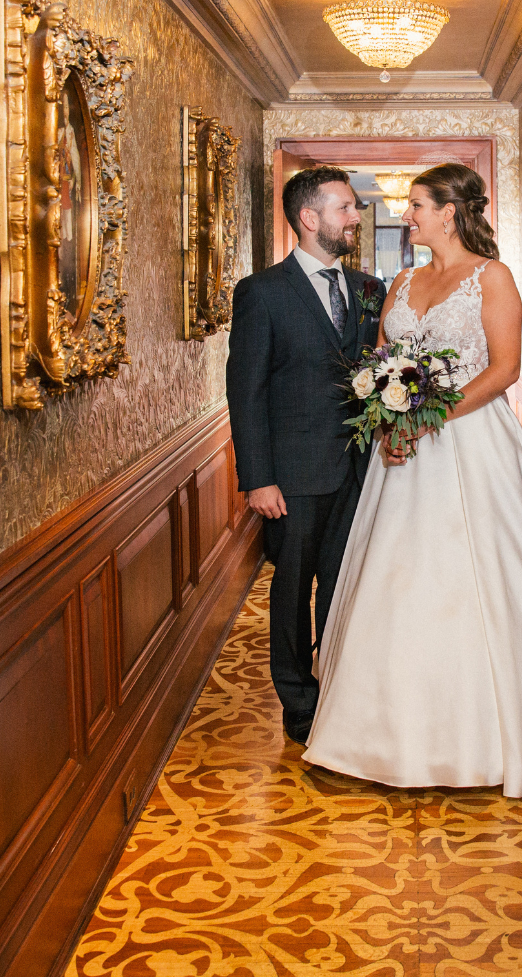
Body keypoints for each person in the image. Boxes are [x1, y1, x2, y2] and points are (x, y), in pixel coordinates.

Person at [302, 163, 522, 797]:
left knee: (475, 576)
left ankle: (489, 738)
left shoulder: (493, 278)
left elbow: (505, 369)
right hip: (402, 452)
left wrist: (428, 417)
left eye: (415, 205)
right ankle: (383, 733)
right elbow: (383, 360)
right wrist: (390, 418)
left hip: (471, 445)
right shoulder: (403, 280)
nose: (405, 215)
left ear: (449, 213)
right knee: (397, 576)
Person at [226, 166, 382, 745]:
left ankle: (341, 689)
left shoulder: (369, 290)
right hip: (291, 477)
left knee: (345, 585)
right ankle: (298, 701)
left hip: (359, 470)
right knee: (292, 592)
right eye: (345, 208)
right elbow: (246, 393)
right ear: (310, 218)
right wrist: (258, 478)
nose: (356, 217)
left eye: (355, 207)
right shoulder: (262, 293)